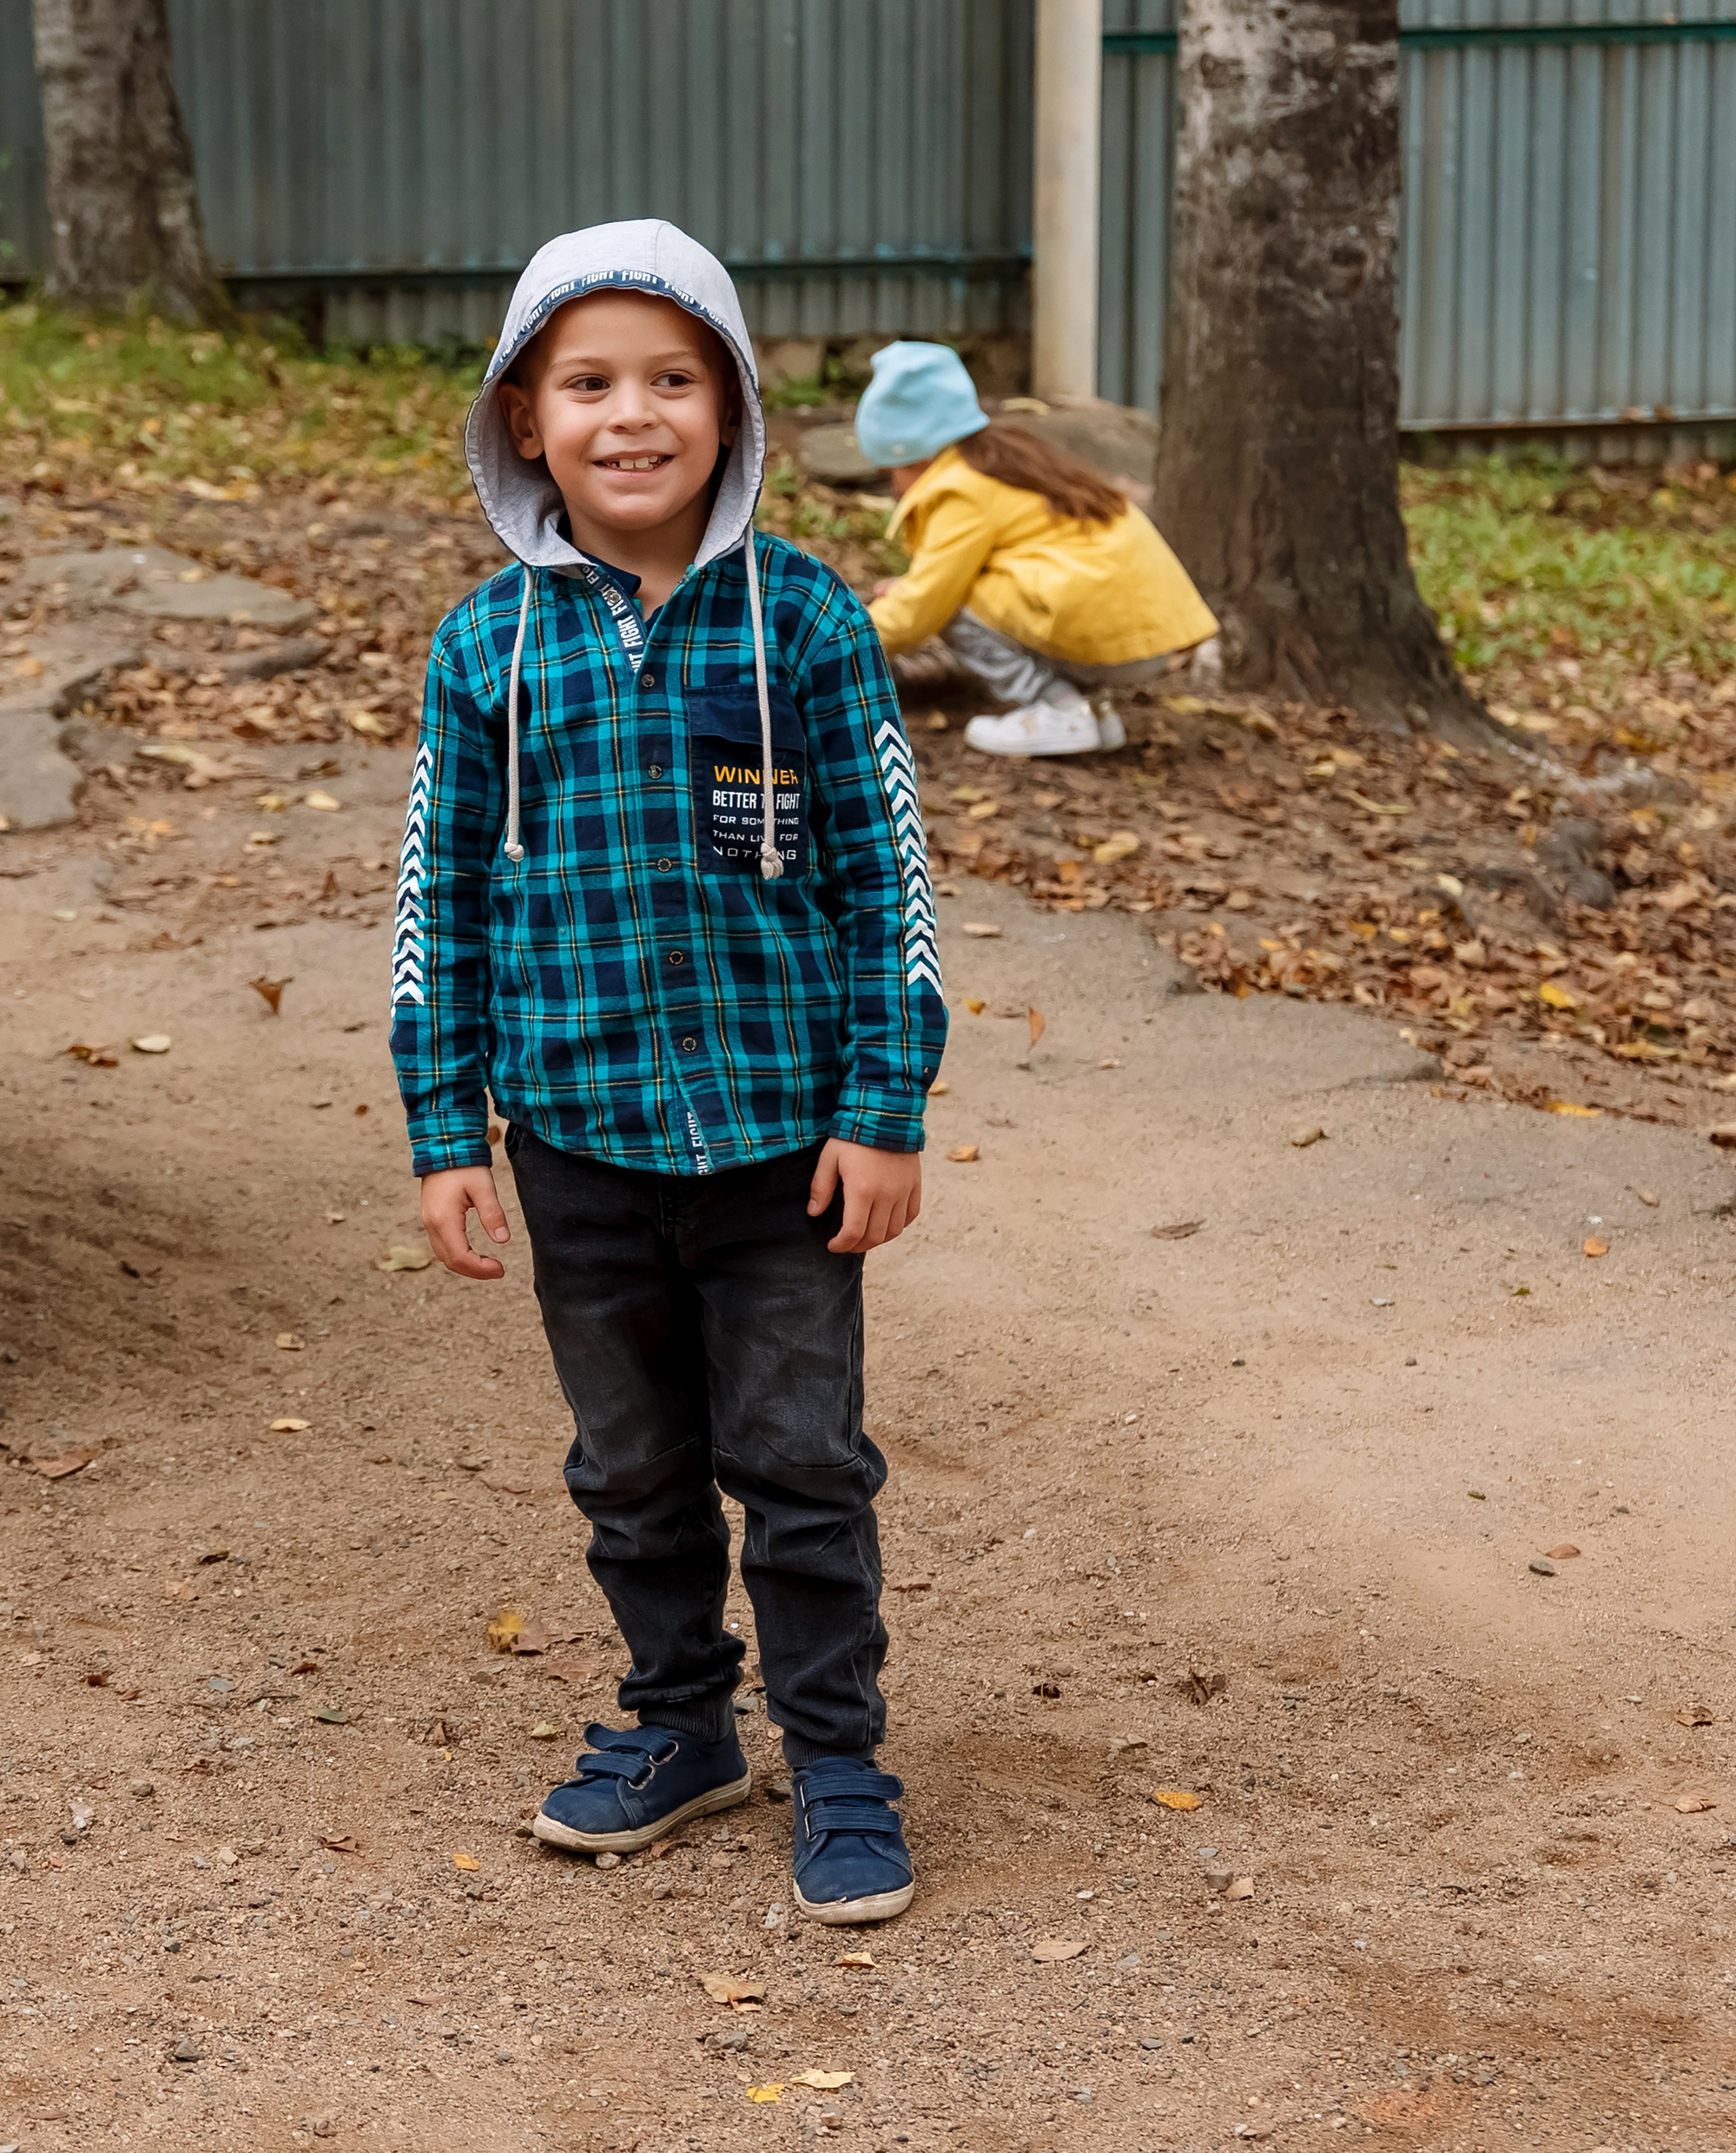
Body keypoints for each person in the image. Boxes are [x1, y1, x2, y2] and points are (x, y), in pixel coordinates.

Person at [391, 221, 946, 1926]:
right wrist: (444, 1123)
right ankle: (679, 1722)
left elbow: (890, 878)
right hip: (576, 1139)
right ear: (523, 420)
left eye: (669, 378)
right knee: (627, 1461)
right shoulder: (485, 648)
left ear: (729, 407)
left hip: (784, 1146)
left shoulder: (805, 621)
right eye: (586, 383)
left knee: (797, 1454)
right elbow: (437, 892)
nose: (630, 416)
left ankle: (837, 1755)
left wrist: (883, 1105)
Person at [858, 341, 1219, 758]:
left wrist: (840, 643)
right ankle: (1093, 715)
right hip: (1144, 637)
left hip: (1104, 637)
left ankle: (1058, 710)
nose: (895, 488)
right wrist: (908, 588)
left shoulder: (961, 490)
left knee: (954, 606)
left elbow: (922, 607)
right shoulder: (1009, 460)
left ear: (912, 452)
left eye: (892, 473)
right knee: (982, 592)